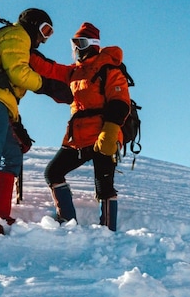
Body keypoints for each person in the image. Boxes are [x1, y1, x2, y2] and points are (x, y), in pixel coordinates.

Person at [0, 8, 70, 234]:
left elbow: (10, 83)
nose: (44, 39)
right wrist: (47, 85)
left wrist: (15, 121)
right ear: (34, 24)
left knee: (13, 155)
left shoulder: (20, 40)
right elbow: (18, 73)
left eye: (49, 34)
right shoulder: (17, 35)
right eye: (45, 31)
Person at [29, 22, 131, 231]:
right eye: (74, 43)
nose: (76, 48)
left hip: (102, 135)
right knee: (53, 173)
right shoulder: (74, 72)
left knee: (104, 186)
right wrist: (26, 53)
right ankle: (67, 222)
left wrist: (110, 132)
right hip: (77, 137)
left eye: (81, 42)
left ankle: (108, 232)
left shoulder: (108, 68)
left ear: (93, 44)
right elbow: (50, 69)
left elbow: (120, 101)